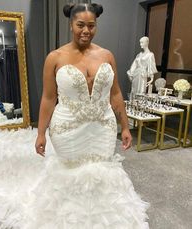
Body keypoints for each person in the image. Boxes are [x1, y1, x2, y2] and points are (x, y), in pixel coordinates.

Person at [34, 3, 149, 228]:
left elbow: (115, 93)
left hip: (102, 126)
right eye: (80, 25)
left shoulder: (106, 55)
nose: (86, 30)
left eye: (91, 25)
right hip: (67, 127)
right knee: (70, 173)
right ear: (70, 24)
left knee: (102, 172)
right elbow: (48, 98)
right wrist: (40, 133)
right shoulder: (54, 57)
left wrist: (125, 126)